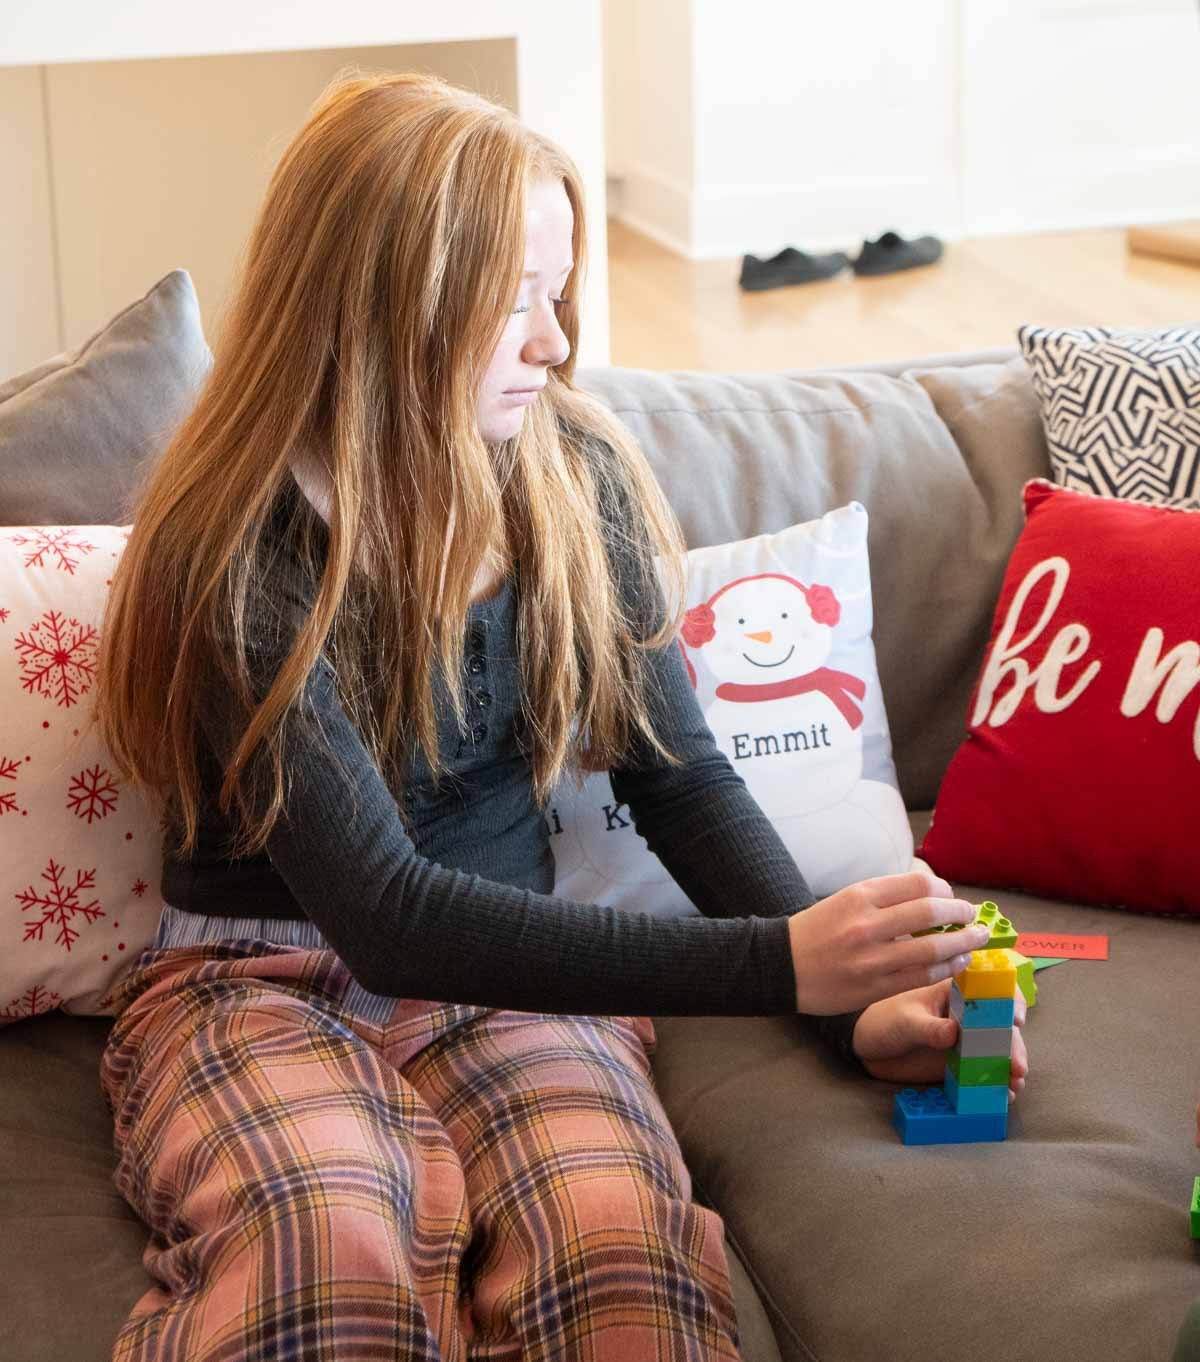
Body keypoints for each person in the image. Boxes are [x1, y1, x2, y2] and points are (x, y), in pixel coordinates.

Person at [92, 70, 1027, 1362]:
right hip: (259, 986)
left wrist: (842, 999)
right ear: (380, 308)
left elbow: (681, 780)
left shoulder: (572, 476)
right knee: (326, 1247)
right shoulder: (238, 545)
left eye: (560, 291)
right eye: (512, 299)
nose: (555, 341)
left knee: (614, 1250)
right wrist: (782, 964)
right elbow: (387, 914)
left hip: (518, 989)